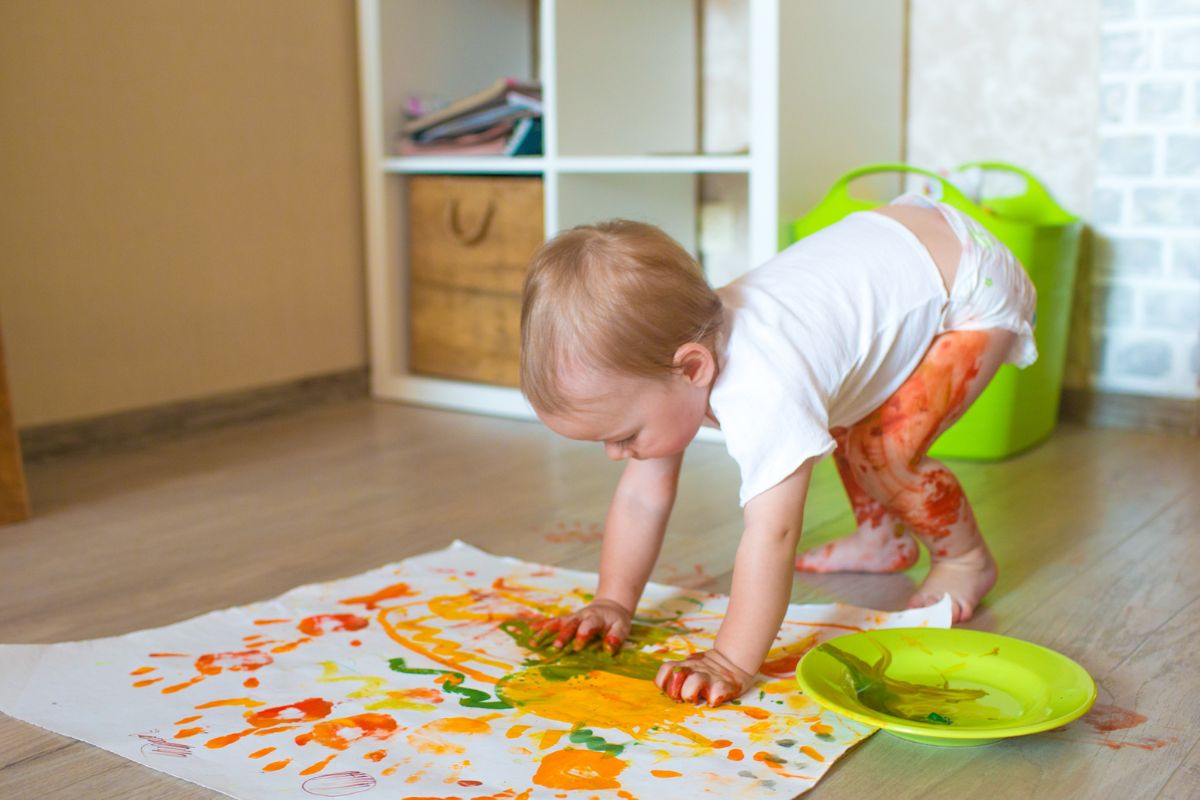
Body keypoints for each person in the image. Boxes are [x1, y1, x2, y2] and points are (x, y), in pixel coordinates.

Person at [518, 193, 1037, 707]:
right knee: (852, 417)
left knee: (885, 450)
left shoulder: (765, 388)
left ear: (694, 368)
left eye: (625, 436)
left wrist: (730, 659)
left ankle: (966, 559)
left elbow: (774, 532)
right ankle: (885, 540)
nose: (617, 454)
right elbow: (641, 499)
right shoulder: (669, 349)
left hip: (964, 277)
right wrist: (613, 600)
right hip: (903, 244)